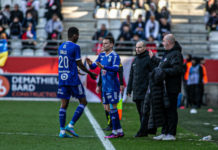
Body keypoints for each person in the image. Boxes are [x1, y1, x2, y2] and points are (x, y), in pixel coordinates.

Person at [57, 27, 97, 138]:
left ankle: (62, 131)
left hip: (62, 78)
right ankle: (70, 125)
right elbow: (80, 63)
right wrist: (90, 73)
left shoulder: (61, 46)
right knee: (83, 102)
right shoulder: (75, 47)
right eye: (78, 35)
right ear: (74, 35)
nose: (78, 37)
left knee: (64, 104)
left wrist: (75, 68)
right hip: (73, 80)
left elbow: (67, 62)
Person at [86, 36, 124, 138]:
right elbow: (94, 66)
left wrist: (104, 67)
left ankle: (115, 132)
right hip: (105, 87)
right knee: (108, 108)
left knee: (113, 108)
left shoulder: (115, 56)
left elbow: (116, 69)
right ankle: (119, 130)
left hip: (112, 86)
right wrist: (90, 64)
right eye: (103, 43)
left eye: (106, 43)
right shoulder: (101, 55)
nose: (104, 45)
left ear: (111, 44)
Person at [151, 34, 183, 141]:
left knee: (171, 110)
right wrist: (154, 60)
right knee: (164, 109)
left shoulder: (176, 54)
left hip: (172, 87)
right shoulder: (167, 54)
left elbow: (177, 69)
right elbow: (162, 65)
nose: (162, 43)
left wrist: (163, 72)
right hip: (164, 87)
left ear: (168, 42)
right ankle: (164, 132)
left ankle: (171, 133)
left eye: (163, 41)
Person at [127, 40, 153, 137]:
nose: (137, 49)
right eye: (137, 47)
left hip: (146, 90)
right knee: (140, 112)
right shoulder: (135, 60)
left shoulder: (149, 59)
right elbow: (131, 75)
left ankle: (142, 131)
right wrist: (129, 89)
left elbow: (154, 73)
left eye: (140, 47)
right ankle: (145, 130)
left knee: (144, 111)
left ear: (145, 48)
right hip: (137, 90)